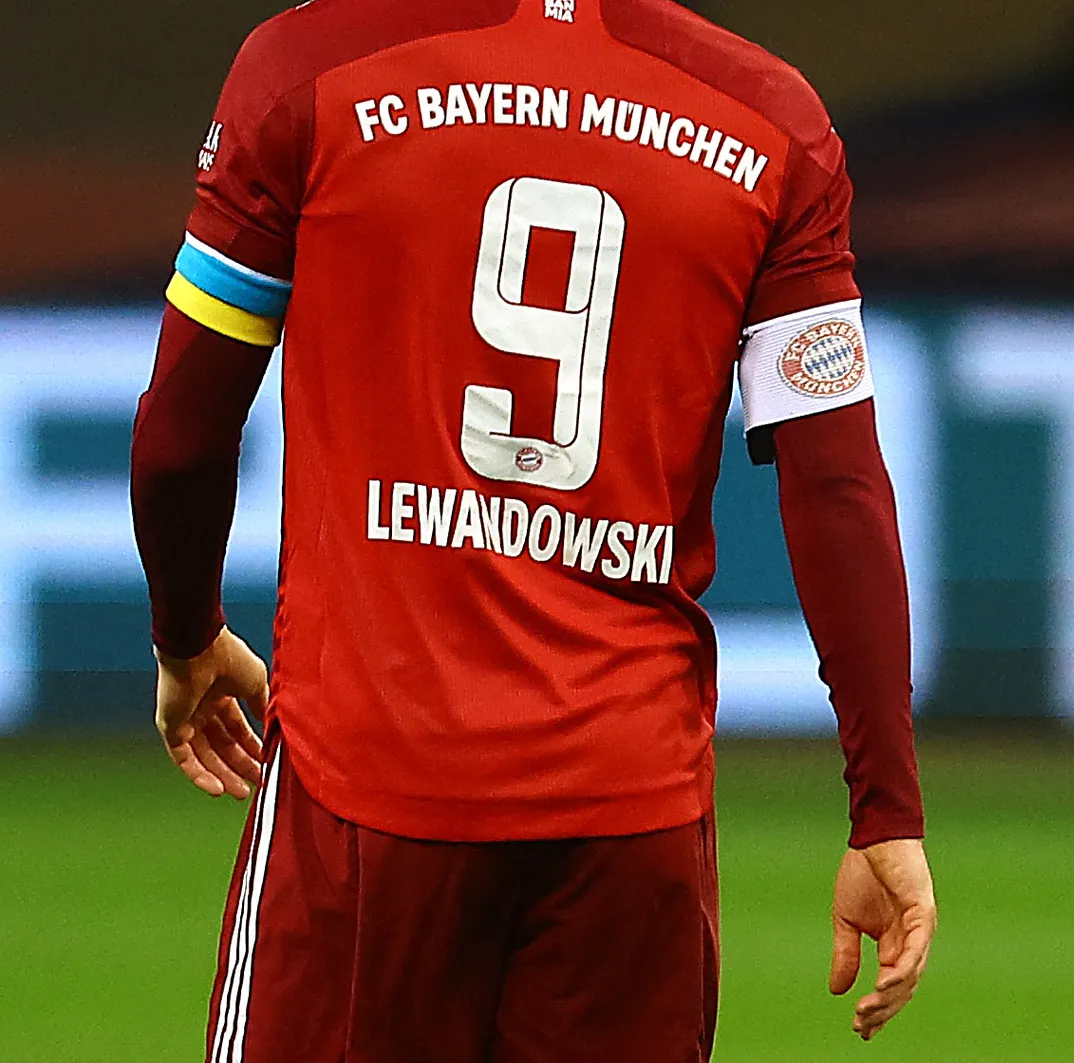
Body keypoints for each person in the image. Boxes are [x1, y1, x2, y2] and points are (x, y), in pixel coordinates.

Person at [128, 1, 937, 1060]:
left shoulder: (309, 69)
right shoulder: (768, 125)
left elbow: (182, 435)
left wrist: (187, 635)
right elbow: (838, 489)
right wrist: (884, 809)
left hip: (367, 786)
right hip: (629, 817)